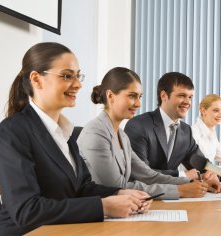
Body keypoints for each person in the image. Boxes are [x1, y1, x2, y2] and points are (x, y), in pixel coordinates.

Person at [0, 42, 151, 236]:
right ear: (36, 79)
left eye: (78, 76)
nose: (78, 84)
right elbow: (27, 210)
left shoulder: (65, 131)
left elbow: (82, 187)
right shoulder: (12, 131)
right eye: (67, 76)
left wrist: (118, 193)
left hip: (64, 235)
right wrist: (103, 207)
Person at [77, 67, 211, 199]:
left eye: (139, 97)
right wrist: (179, 191)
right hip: (97, 213)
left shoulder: (122, 136)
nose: (138, 104)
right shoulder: (95, 133)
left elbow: (150, 176)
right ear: (111, 96)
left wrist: (194, 184)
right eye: (132, 96)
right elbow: (118, 187)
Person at [124, 72, 221, 190]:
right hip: (143, 196)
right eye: (181, 96)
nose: (187, 102)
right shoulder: (138, 125)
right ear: (164, 95)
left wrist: (210, 175)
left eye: (190, 97)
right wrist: (183, 175)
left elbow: (201, 165)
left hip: (176, 199)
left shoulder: (186, 131)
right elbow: (141, 173)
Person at [191, 94, 221, 171]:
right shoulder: (192, 133)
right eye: (216, 110)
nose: (220, 115)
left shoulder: (212, 133)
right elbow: (196, 168)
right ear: (203, 110)